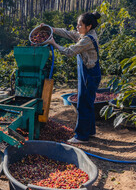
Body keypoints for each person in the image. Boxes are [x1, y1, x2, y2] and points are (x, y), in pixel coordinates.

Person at [42, 11, 102, 143]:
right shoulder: (85, 34)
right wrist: (51, 29)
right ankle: (89, 131)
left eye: (80, 25)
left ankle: (81, 136)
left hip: (89, 75)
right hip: (89, 73)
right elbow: (68, 33)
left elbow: (70, 52)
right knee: (88, 103)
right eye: (77, 24)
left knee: (83, 104)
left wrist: (54, 44)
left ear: (89, 26)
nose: (77, 27)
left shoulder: (87, 40)